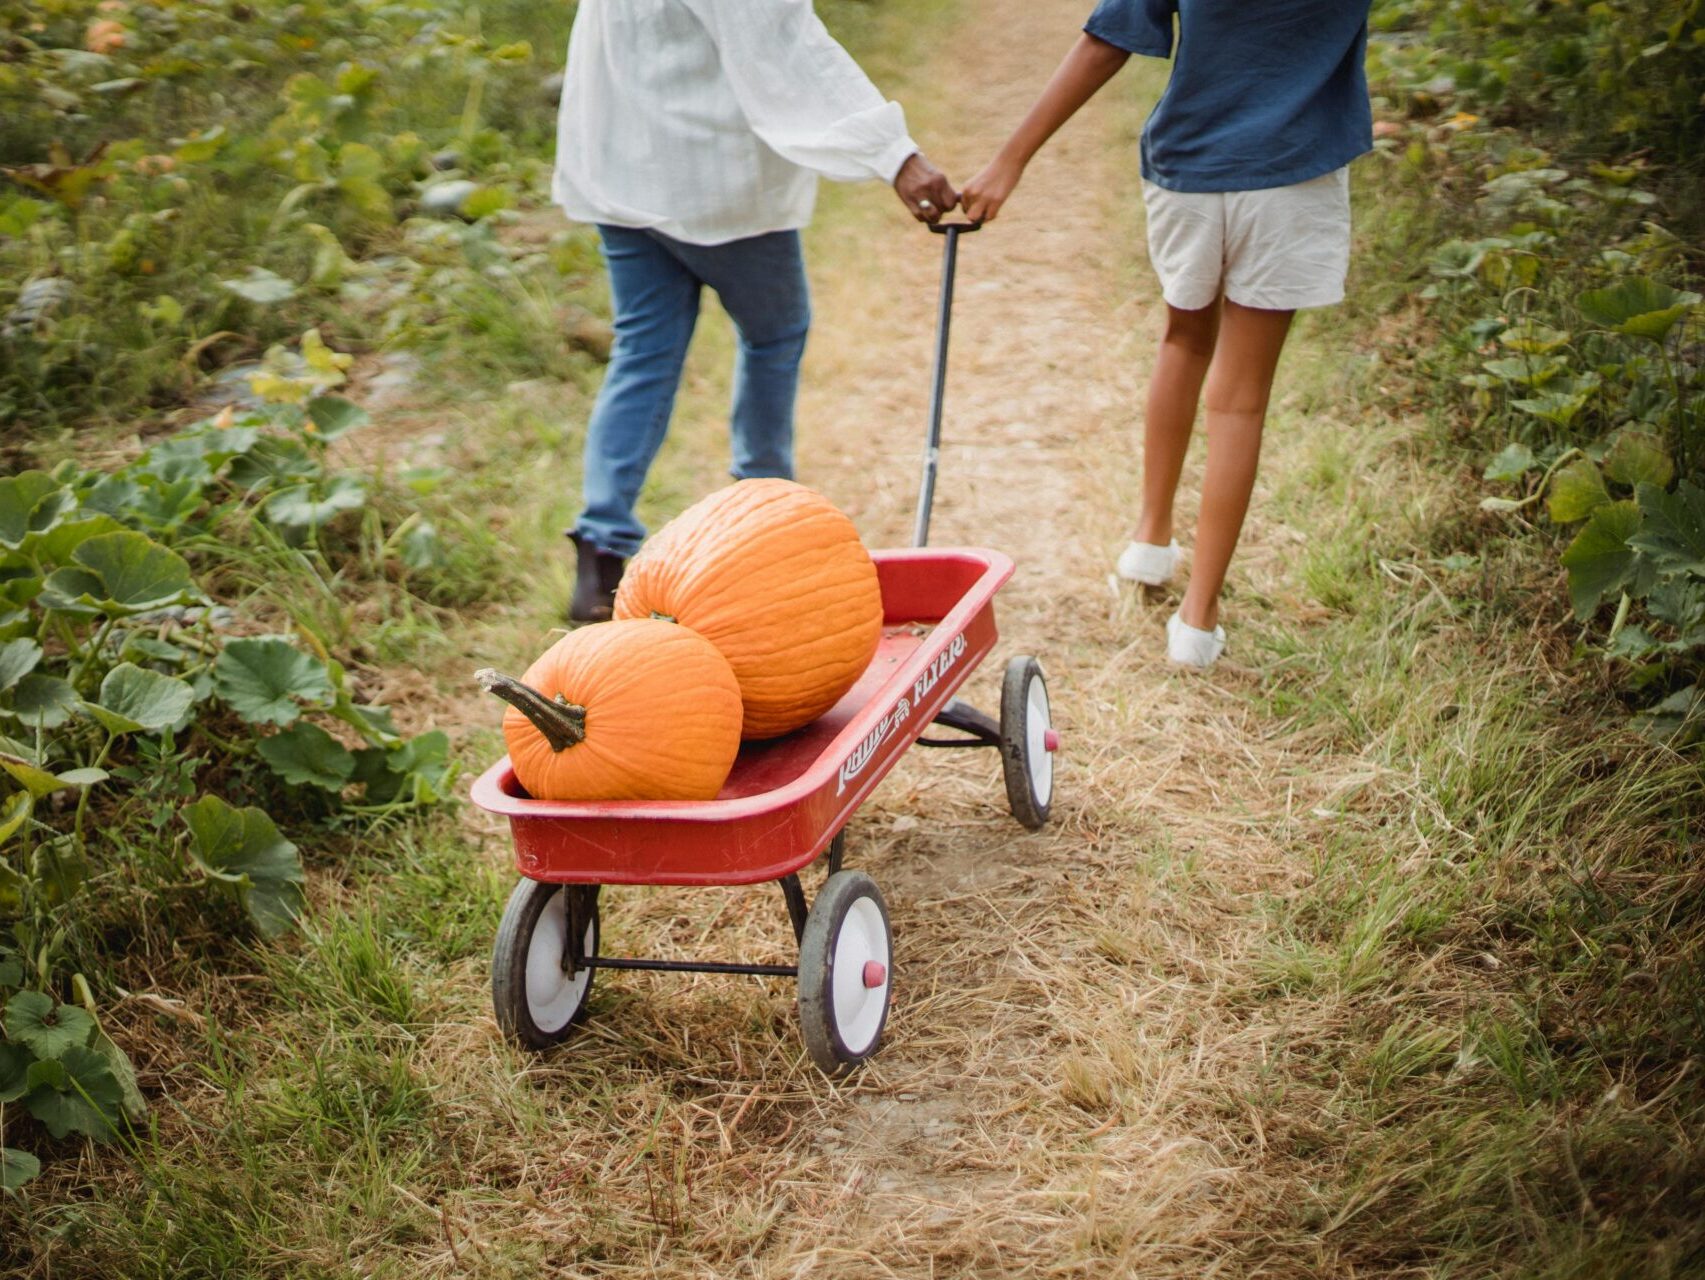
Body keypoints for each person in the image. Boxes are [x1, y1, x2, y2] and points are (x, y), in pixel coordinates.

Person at [961, 0, 1373, 668]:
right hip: (1293, 175)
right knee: (1239, 399)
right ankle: (1196, 621)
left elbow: (1107, 39)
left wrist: (1010, 161)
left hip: (1188, 169)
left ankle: (1149, 541)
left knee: (1181, 341)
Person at [552, 0, 959, 622]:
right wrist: (896, 156)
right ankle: (763, 524)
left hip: (622, 170)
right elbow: (785, 46)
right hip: (709, 180)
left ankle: (601, 553)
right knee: (774, 334)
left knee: (644, 351)